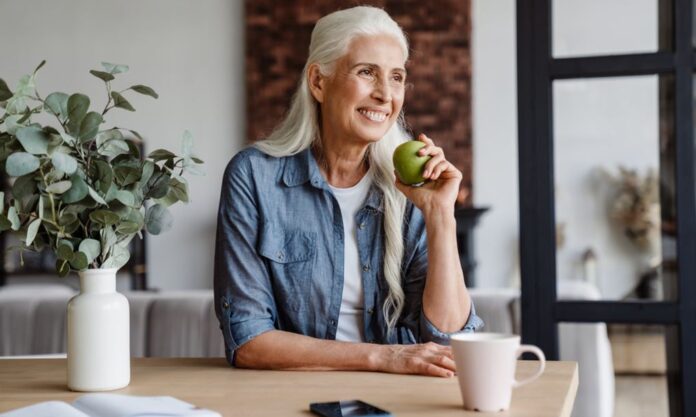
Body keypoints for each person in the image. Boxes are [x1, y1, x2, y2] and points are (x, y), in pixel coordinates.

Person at [214, 6, 482, 378]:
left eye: (397, 77)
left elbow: (451, 341)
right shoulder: (254, 177)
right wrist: (383, 357)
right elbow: (248, 340)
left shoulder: (412, 188)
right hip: (295, 397)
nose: (385, 94)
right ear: (318, 82)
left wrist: (440, 215)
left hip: (399, 399)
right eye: (366, 72)